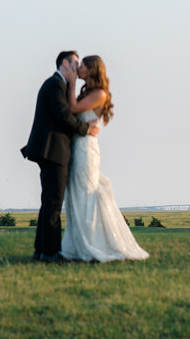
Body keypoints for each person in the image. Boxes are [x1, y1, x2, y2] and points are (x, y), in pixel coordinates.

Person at [60, 55, 149, 262]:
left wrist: (71, 83)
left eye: (81, 66)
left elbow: (72, 109)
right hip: (77, 148)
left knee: (85, 197)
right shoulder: (88, 92)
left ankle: (92, 245)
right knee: (75, 197)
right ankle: (76, 247)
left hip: (86, 151)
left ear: (92, 70)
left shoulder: (100, 94)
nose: (78, 68)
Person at [21, 50, 99, 262]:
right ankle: (51, 253)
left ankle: (41, 250)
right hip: (52, 150)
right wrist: (86, 129)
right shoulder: (55, 84)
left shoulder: (59, 85)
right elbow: (63, 116)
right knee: (53, 203)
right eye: (74, 63)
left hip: (52, 150)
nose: (77, 68)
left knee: (49, 202)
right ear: (64, 63)